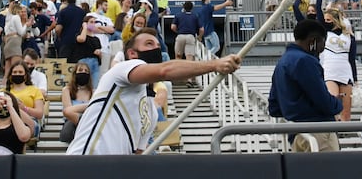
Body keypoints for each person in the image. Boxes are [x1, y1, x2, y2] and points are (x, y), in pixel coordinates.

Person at [66, 26, 240, 154]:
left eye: (158, 45)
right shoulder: (122, 70)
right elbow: (165, 70)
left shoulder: (150, 109)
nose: (156, 49)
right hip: (85, 161)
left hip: (115, 169)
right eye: (149, 44)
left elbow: (138, 153)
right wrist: (214, 64)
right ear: (132, 53)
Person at [268, 18, 343, 152]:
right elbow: (324, 102)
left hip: (296, 135)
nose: (322, 49)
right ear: (313, 41)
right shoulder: (306, 61)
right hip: (318, 133)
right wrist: (337, 102)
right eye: (322, 42)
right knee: (330, 173)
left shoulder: (282, 62)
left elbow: (274, 107)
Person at [59, 62, 97, 144]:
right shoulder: (67, 90)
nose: (83, 72)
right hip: (72, 124)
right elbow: (68, 111)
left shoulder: (94, 92)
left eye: (86, 71)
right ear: (75, 74)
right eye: (80, 70)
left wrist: (77, 109)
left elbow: (95, 111)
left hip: (90, 122)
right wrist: (89, 106)